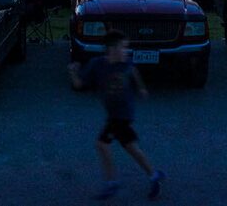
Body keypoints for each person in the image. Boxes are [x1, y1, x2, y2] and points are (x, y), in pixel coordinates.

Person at [68, 30, 166, 201]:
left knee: (102, 144)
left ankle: (112, 183)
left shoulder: (125, 63)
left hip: (122, 114)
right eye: (123, 47)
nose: (126, 51)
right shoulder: (97, 64)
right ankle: (154, 175)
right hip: (113, 113)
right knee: (130, 147)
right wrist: (72, 72)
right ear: (112, 49)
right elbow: (79, 84)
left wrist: (141, 87)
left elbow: (134, 71)